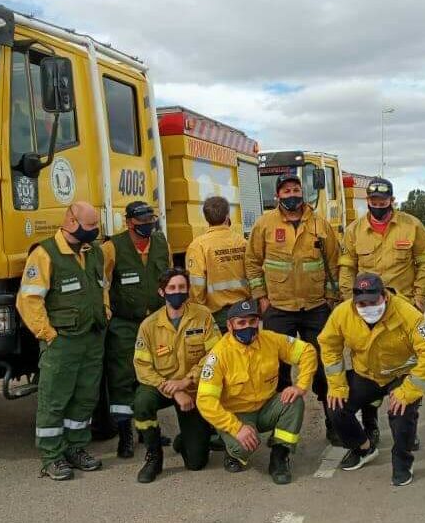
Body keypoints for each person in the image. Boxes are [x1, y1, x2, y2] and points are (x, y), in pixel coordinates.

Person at [338, 176, 425, 448]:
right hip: (365, 311)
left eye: (383, 201)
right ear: (367, 201)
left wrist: (419, 301)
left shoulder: (412, 226)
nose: (378, 205)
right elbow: (346, 268)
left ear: (392, 200)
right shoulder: (354, 230)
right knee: (365, 370)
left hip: (401, 314)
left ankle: (406, 430)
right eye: (373, 201)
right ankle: (371, 427)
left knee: (403, 373)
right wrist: (349, 303)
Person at [320, 273, 425, 487]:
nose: (368, 308)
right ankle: (363, 447)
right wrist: (337, 386)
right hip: (367, 374)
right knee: (336, 406)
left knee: (401, 413)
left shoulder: (408, 314)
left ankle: (403, 462)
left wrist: (409, 391)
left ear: (384, 296)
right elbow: (329, 346)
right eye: (362, 303)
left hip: (401, 374)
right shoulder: (343, 313)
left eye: (373, 301)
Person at [246, 173, 341, 444]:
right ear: (278, 196)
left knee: (326, 367)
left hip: (315, 307)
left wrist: (331, 299)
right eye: (286, 191)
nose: (291, 195)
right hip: (278, 308)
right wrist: (261, 297)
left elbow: (334, 263)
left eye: (296, 189)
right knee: (277, 371)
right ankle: (280, 426)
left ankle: (333, 422)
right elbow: (252, 262)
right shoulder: (265, 224)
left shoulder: (320, 224)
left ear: (304, 193)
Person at [17, 201, 108, 481]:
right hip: (62, 341)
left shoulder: (94, 254)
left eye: (96, 226)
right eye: (90, 226)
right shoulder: (45, 253)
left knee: (85, 398)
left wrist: (105, 312)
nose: (95, 231)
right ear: (71, 222)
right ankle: (51, 456)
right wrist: (48, 334)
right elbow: (29, 300)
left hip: (92, 339)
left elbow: (102, 287)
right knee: (54, 400)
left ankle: (75, 447)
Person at [196, 299, 318, 485]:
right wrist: (236, 428)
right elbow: (205, 400)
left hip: (266, 407)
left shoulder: (270, 339)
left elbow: (307, 351)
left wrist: (301, 385)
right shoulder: (219, 354)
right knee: (242, 449)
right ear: (230, 326)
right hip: (237, 415)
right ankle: (229, 447)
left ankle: (279, 456)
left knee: (295, 401)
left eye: (253, 322)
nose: (248, 327)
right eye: (241, 323)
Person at [132, 268, 222, 483]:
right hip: (162, 387)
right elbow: (142, 366)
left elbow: (215, 355)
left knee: (196, 463)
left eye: (182, 287)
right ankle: (154, 455)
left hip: (191, 387)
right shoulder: (149, 325)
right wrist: (172, 388)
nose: (177, 292)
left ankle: (187, 440)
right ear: (162, 292)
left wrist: (186, 381)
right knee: (142, 402)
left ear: (188, 290)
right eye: (171, 288)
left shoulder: (203, 316)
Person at [102, 200, 171, 458]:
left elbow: (167, 277)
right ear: (129, 222)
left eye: (150, 221)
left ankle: (147, 430)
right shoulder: (112, 247)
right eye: (142, 222)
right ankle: (125, 435)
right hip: (124, 324)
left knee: (151, 375)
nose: (147, 226)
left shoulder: (161, 243)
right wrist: (107, 312)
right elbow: (103, 283)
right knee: (122, 378)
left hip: (155, 322)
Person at [186, 196, 250, 332]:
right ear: (227, 215)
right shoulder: (243, 243)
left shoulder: (198, 246)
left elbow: (197, 287)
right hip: (244, 312)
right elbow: (254, 274)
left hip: (217, 316)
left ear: (206, 218)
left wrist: (199, 313)